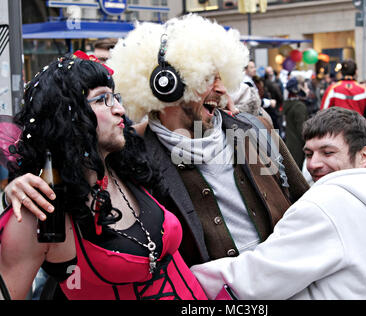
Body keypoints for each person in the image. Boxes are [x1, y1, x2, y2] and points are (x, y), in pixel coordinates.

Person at [7, 15, 310, 269]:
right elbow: (69, 157)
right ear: (167, 85)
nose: (222, 88)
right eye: (208, 79)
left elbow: (303, 202)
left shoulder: (254, 130)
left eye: (222, 77)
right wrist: (20, 184)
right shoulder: (131, 153)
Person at [0, 53, 207, 300]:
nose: (120, 109)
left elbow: (186, 122)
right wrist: (11, 186)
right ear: (66, 116)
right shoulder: (41, 213)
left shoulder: (130, 168)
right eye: (102, 99)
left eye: (115, 97)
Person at [191, 107, 366, 300]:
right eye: (309, 154)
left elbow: (257, 278)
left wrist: (189, 276)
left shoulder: (327, 205)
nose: (313, 164)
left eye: (328, 152)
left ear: (364, 156)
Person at [320, 59, 366, 128]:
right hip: (357, 132)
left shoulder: (332, 89)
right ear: (356, 72)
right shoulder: (364, 90)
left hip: (337, 132)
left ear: (341, 72)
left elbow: (322, 115)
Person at [283, 75, 309, 169]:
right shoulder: (299, 106)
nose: (308, 89)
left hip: (289, 145)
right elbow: (302, 130)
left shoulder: (288, 104)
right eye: (305, 87)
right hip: (297, 148)